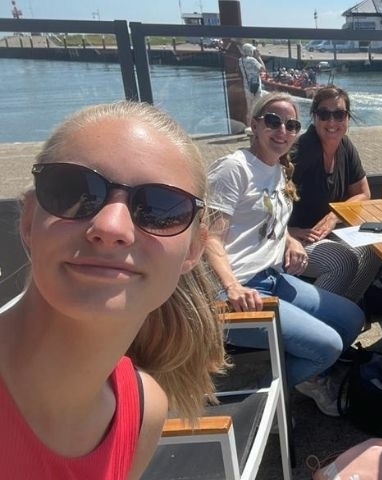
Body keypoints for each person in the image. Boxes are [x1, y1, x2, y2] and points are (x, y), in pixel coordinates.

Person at [0, 101, 228, 477]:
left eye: (160, 208)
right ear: (28, 221)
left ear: (193, 250)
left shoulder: (141, 411)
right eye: (74, 192)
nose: (111, 226)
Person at [204, 91, 366, 417]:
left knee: (352, 319)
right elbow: (208, 237)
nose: (283, 130)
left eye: (291, 124)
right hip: (233, 293)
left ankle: (305, 375)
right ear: (254, 124)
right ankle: (257, 405)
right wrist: (232, 287)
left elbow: (269, 224)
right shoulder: (233, 169)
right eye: (273, 121)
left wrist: (288, 241)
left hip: (273, 277)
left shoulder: (278, 169)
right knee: (329, 345)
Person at [288, 85, 381, 304]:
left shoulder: (345, 147)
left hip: (328, 234)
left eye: (339, 114)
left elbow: (363, 193)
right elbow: (266, 204)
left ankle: (344, 314)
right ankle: (314, 325)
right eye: (324, 114)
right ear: (314, 116)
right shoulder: (298, 152)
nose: (332, 122)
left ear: (348, 117)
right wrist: (288, 231)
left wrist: (333, 215)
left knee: (376, 249)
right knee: (342, 261)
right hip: (295, 238)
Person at [239, 42, 267, 115]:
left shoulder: (240, 60)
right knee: (257, 108)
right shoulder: (252, 60)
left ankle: (249, 124)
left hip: (247, 86)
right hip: (256, 86)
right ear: (250, 51)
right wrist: (258, 57)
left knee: (249, 108)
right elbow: (263, 69)